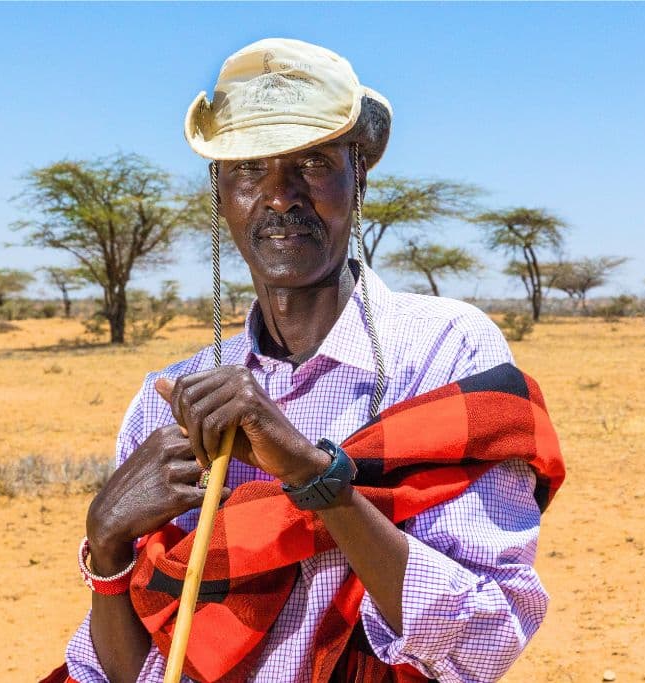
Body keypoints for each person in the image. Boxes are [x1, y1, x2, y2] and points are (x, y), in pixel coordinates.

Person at [54, 38, 564, 683]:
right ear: (220, 192)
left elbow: (483, 642)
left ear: (360, 176)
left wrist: (309, 473)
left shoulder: (445, 351)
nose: (279, 195)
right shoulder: (176, 397)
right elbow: (137, 671)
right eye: (248, 169)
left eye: (313, 162)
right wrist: (105, 546)